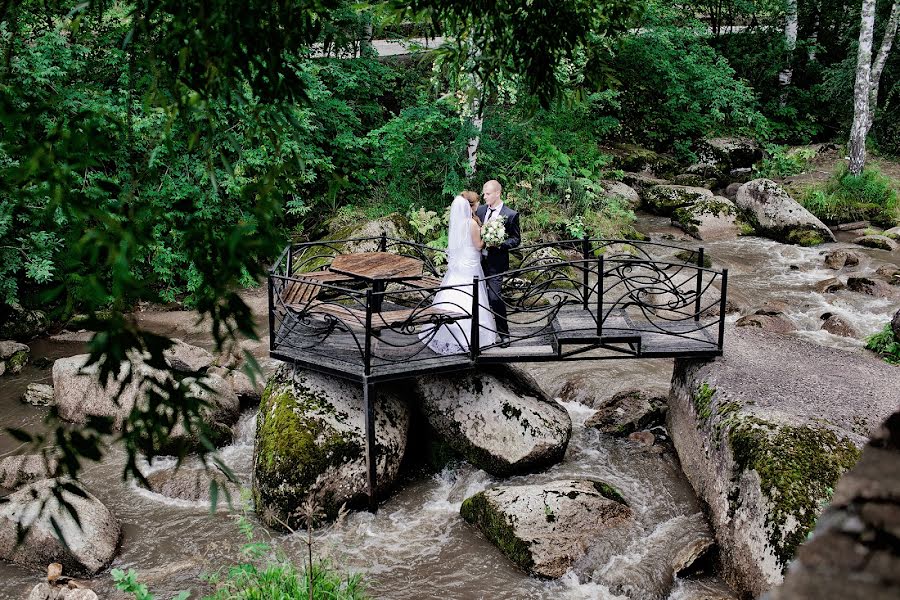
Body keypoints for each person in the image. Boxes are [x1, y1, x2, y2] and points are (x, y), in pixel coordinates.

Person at [420, 195, 497, 355]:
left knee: (453, 293)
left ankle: (446, 333)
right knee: (472, 293)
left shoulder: (456, 224)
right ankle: (470, 338)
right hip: (471, 264)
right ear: (468, 207)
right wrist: (490, 237)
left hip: (459, 266)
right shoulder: (471, 223)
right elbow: (478, 245)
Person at [474, 180, 520, 346]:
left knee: (494, 298)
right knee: (476, 298)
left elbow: (516, 240)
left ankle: (504, 334)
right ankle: (479, 334)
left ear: (497, 193)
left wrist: (500, 243)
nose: (484, 197)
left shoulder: (511, 214)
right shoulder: (479, 211)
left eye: (488, 194)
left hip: (496, 263)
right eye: (484, 193)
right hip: (478, 262)